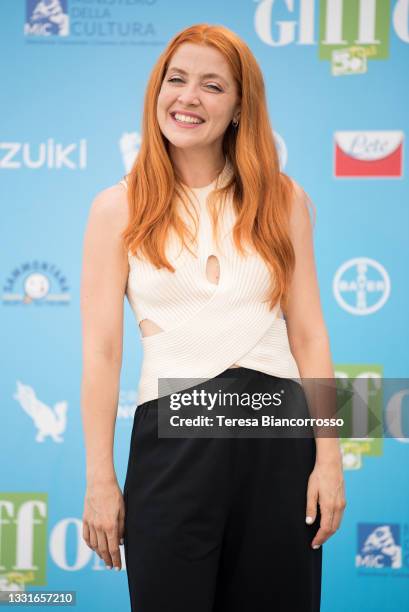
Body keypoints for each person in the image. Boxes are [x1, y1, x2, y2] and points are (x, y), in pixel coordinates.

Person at [80, 23, 346, 612]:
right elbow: (102, 352)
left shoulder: (284, 199)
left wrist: (330, 460)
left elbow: (309, 334)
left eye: (212, 86)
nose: (188, 98)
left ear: (239, 107)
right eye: (176, 80)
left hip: (278, 437)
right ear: (156, 93)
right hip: (172, 444)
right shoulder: (116, 208)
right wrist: (101, 479)